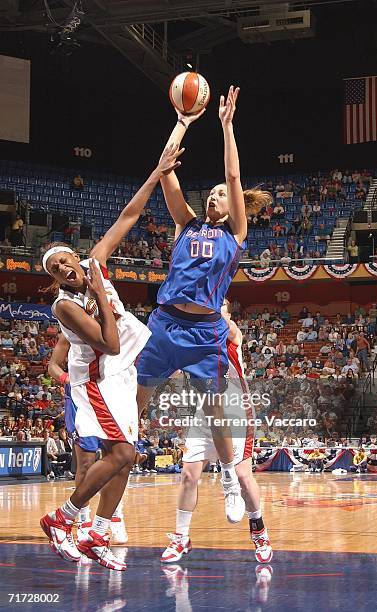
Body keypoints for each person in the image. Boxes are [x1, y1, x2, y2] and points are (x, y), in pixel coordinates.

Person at [39, 143, 183, 570]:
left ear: (76, 259)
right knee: (118, 455)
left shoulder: (95, 260)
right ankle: (62, 519)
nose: (65, 267)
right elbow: (110, 344)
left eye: (67, 260)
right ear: (55, 280)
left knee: (129, 458)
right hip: (97, 381)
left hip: (122, 375)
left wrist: (157, 173)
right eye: (55, 269)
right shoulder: (65, 306)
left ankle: (97, 534)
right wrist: (100, 291)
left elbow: (128, 216)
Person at [136, 86, 271, 523]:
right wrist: (181, 123)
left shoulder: (234, 234)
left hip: (205, 331)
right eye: (210, 194)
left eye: (220, 194)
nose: (215, 197)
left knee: (216, 413)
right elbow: (165, 172)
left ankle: (231, 476)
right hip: (164, 324)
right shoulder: (185, 224)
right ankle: (112, 490)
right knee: (133, 403)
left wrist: (227, 127)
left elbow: (233, 178)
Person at [161, 300, 272, 564]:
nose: (210, 308)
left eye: (218, 305)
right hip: (204, 411)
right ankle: (181, 537)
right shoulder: (194, 337)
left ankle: (259, 530)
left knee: (244, 476)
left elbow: (226, 328)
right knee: (188, 474)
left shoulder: (231, 332)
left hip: (236, 410)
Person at [49, 333, 129, 545]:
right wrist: (67, 379)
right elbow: (53, 366)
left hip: (111, 395)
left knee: (118, 458)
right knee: (85, 463)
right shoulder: (70, 330)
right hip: (80, 397)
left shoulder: (116, 328)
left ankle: (114, 514)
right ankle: (83, 520)